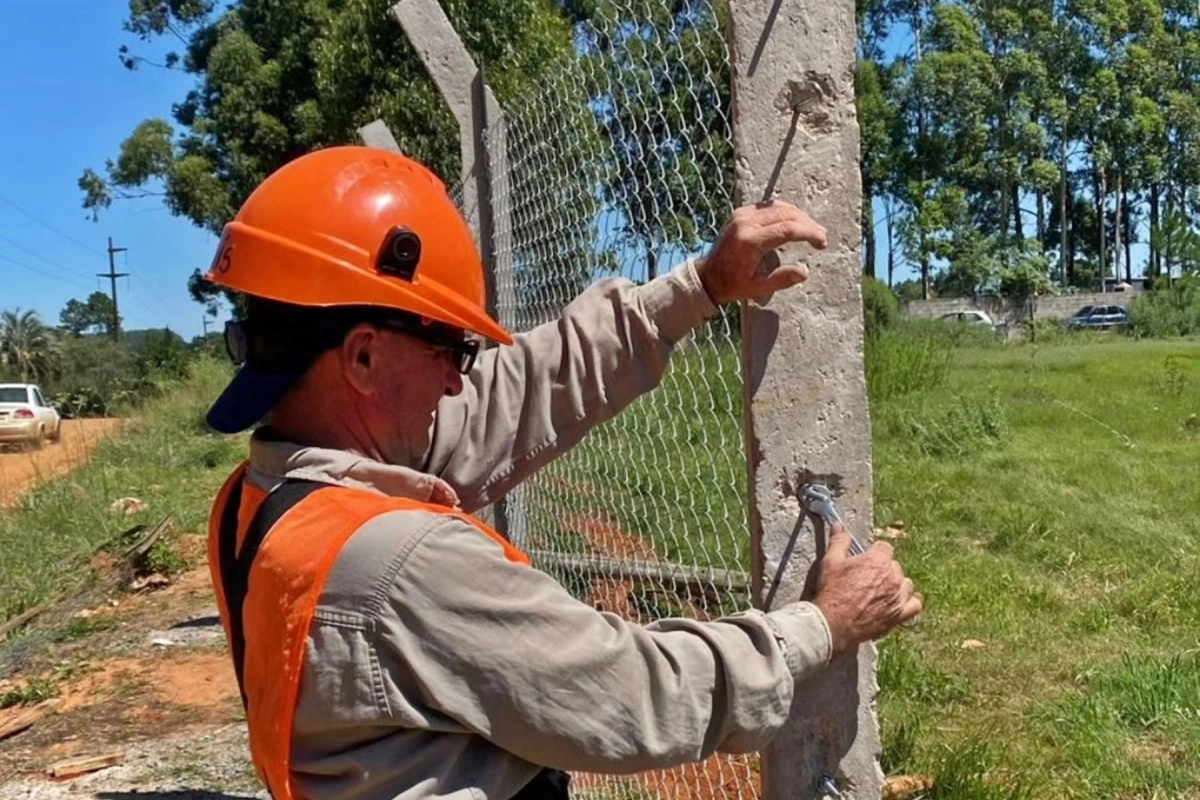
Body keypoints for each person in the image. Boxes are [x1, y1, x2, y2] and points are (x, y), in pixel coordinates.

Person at [203, 145, 922, 800]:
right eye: (452, 349)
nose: (459, 383)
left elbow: (511, 397)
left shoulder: (264, 504)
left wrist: (699, 286)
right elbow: (636, 694)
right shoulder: (397, 565)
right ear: (362, 358)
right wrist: (823, 624)